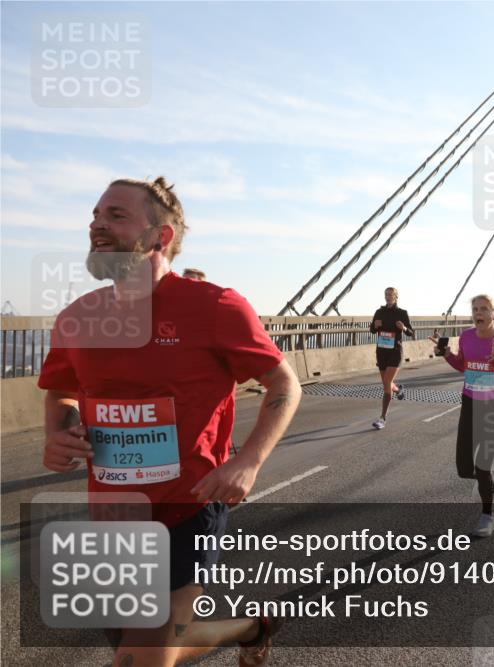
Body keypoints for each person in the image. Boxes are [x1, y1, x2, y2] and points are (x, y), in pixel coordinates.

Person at [38, 176, 301, 667]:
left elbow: (285, 386)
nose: (97, 225)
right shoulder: (77, 318)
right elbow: (61, 389)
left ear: (161, 237)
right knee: (140, 644)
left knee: (141, 657)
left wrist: (248, 462)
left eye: (116, 216)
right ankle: (252, 627)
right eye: (95, 216)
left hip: (188, 505)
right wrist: (59, 433)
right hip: (114, 513)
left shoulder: (215, 307)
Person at [430, 295, 494, 537]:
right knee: (463, 468)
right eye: (474, 309)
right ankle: (486, 481)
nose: (478, 313)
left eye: (484, 309)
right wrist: (447, 354)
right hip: (470, 404)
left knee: (482, 465)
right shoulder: (467, 336)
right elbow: (464, 366)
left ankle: (487, 515)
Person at [369, 287, 414, 430]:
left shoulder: (402, 313)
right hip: (381, 352)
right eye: (386, 294)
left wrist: (404, 328)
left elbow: (411, 332)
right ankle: (398, 389)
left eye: (391, 295)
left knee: (387, 382)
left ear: (396, 297)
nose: (388, 297)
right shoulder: (379, 312)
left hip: (395, 352)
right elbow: (372, 330)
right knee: (386, 383)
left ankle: (382, 418)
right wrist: (374, 326)